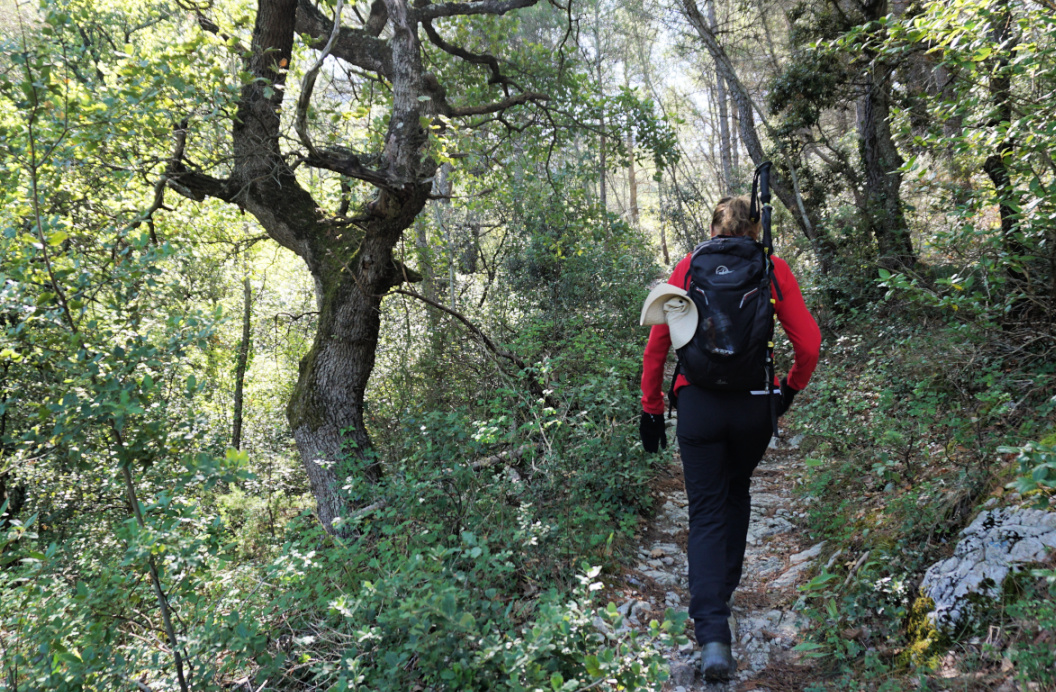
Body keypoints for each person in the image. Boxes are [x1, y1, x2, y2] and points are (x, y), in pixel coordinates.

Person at [638, 195, 821, 681]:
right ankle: (725, 588)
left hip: (696, 405)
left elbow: (658, 344)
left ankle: (713, 632)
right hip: (753, 405)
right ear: (756, 229)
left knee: (705, 511)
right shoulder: (772, 267)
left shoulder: (688, 266)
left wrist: (651, 408)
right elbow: (810, 343)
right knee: (736, 489)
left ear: (714, 228)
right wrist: (788, 391)